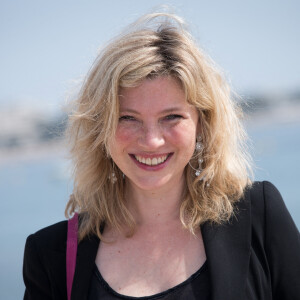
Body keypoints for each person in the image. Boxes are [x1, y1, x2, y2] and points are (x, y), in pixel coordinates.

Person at [23, 12, 300, 300]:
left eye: (171, 117)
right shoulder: (50, 256)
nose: (152, 140)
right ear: (100, 130)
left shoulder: (259, 217)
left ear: (202, 124)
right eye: (128, 118)